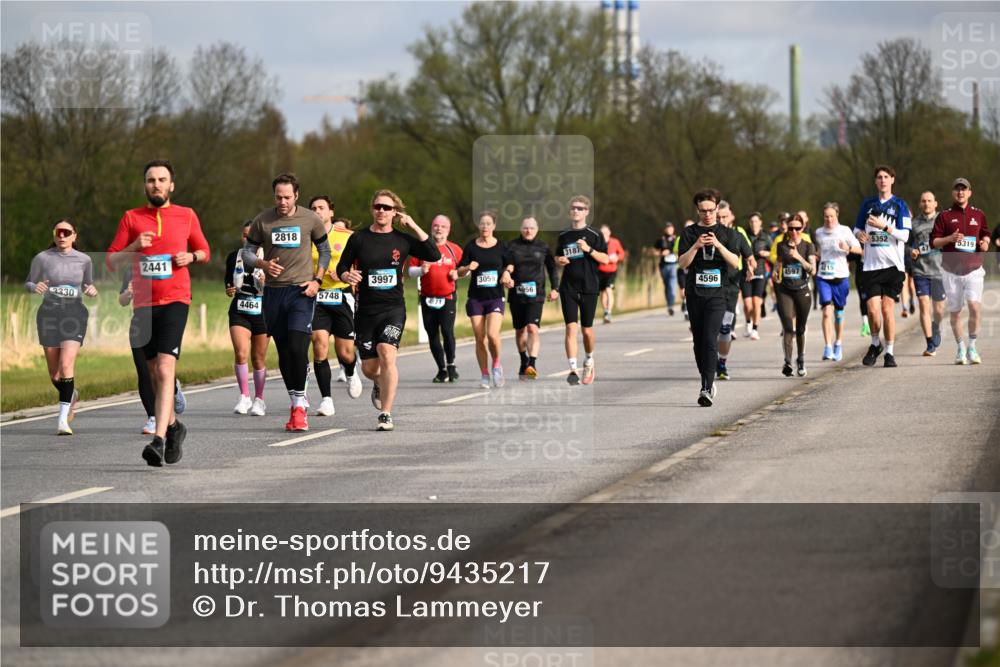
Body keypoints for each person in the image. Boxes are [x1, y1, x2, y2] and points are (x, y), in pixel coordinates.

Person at [108, 159, 210, 466]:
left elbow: (205, 251)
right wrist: (135, 245)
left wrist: (190, 255)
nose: (156, 184)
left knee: (166, 369)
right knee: (153, 373)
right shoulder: (131, 218)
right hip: (143, 304)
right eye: (151, 180)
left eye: (162, 179)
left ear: (171, 185)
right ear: (145, 185)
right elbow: (112, 261)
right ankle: (175, 427)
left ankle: (159, 439)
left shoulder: (186, 215)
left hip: (176, 300)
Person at [336, 189, 440, 431]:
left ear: (395, 212)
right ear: (372, 209)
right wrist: (346, 274)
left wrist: (413, 224)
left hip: (393, 308)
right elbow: (342, 265)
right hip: (365, 312)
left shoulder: (402, 240)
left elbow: (433, 254)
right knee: (370, 368)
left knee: (387, 352)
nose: (381, 210)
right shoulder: (359, 239)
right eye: (377, 206)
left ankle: (386, 413)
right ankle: (379, 382)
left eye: (386, 207)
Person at [242, 173, 330, 432]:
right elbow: (246, 253)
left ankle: (301, 406)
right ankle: (295, 403)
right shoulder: (263, 220)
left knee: (297, 346)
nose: (282, 202)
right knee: (283, 353)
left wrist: (317, 281)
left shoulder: (310, 219)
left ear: (296, 196)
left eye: (287, 197)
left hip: (301, 292)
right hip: (273, 294)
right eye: (278, 197)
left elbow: (324, 251)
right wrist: (263, 263)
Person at [25, 220, 98, 435]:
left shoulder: (84, 260)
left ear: (74, 236)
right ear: (54, 235)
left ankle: (62, 420)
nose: (62, 236)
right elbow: (29, 282)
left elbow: (88, 284)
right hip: (48, 313)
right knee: (55, 375)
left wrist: (91, 290)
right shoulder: (42, 258)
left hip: (73, 313)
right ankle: (71, 394)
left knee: (67, 365)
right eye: (59, 232)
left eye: (67, 232)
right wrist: (34, 287)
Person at [677, 189, 743, 406]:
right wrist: (696, 246)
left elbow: (735, 262)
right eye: (703, 211)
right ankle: (706, 378)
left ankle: (706, 387)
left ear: (717, 209)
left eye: (711, 210)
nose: (707, 214)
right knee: (698, 342)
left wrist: (718, 245)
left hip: (718, 294)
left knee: (709, 337)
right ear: (697, 210)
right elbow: (683, 264)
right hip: (695, 294)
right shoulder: (688, 234)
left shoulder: (728, 234)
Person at [308, 196, 362, 416]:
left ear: (331, 212)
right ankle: (326, 399)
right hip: (317, 297)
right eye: (313, 209)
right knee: (319, 344)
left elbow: (363, 262)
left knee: (345, 352)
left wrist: (352, 276)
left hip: (342, 295)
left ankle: (350, 371)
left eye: (321, 208)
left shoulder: (347, 236)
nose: (317, 211)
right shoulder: (306, 236)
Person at [854, 165, 911, 368]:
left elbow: (905, 235)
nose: (883, 180)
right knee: (872, 309)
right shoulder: (867, 204)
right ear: (875, 181)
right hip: (870, 266)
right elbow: (857, 228)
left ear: (892, 180)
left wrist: (883, 226)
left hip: (893, 267)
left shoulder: (900, 205)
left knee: (887, 309)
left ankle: (889, 352)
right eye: (879, 177)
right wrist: (858, 235)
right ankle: (875, 343)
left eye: (886, 177)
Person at [119, 267, 186, 434]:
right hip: (140, 323)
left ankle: (174, 388)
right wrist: (128, 293)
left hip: (163, 322)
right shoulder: (132, 269)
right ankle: (153, 417)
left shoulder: (165, 264)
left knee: (161, 369)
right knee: (144, 371)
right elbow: (122, 300)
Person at [931, 178, 991, 365]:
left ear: (969, 192)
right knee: (955, 312)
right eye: (957, 189)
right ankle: (960, 348)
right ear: (953, 193)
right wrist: (949, 238)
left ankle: (972, 346)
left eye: (963, 189)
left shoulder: (978, 214)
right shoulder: (944, 216)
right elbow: (934, 242)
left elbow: (986, 233)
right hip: (951, 271)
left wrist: (986, 243)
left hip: (973, 269)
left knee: (974, 306)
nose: (960, 192)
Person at [554, 195, 609, 385]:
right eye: (573, 208)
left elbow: (606, 259)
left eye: (579, 208)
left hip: (589, 286)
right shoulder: (563, 235)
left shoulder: (594, 235)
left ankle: (589, 360)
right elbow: (557, 257)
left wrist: (588, 249)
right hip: (568, 286)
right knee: (570, 327)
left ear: (586, 211)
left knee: (586, 331)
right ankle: (572, 369)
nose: (575, 211)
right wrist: (559, 260)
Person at [457, 211, 514, 389]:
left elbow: (510, 263)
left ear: (494, 226)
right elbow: (459, 271)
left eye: (488, 224)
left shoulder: (501, 246)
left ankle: (496, 364)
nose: (485, 227)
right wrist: (468, 267)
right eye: (482, 224)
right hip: (476, 298)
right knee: (480, 338)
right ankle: (484, 373)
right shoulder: (471, 247)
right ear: (478, 226)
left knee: (492, 335)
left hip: (495, 297)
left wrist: (506, 272)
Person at [408, 214, 463, 383]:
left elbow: (466, 269)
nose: (439, 229)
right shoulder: (422, 248)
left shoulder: (454, 249)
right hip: (426, 298)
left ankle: (451, 364)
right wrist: (421, 271)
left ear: (448, 230)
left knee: (447, 332)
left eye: (443, 226)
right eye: (436, 225)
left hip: (447, 297)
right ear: (431, 228)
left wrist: (458, 274)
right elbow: (410, 272)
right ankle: (441, 369)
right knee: (432, 334)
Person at [507, 216, 559, 379]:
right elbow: (504, 266)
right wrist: (506, 275)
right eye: (525, 228)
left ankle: (532, 363)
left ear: (537, 229)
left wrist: (555, 288)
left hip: (536, 294)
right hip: (516, 294)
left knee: (532, 328)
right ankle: (524, 360)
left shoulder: (543, 247)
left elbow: (551, 268)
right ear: (520, 229)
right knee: (520, 330)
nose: (528, 231)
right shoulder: (512, 247)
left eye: (531, 228)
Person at [226, 220, 269, 416]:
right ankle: (244, 396)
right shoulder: (234, 257)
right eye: (245, 236)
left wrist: (266, 282)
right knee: (241, 353)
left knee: (258, 358)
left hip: (262, 310)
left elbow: (278, 285)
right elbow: (228, 284)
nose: (248, 239)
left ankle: (259, 399)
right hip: (240, 309)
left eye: (252, 236)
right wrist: (229, 289)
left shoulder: (270, 257)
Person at [813, 203, 861, 361]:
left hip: (840, 276)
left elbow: (859, 249)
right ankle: (827, 346)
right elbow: (818, 252)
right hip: (823, 277)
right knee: (826, 311)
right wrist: (815, 256)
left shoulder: (845, 230)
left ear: (837, 216)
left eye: (831, 216)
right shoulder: (818, 233)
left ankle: (838, 343)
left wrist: (847, 247)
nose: (829, 219)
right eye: (826, 216)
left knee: (838, 313)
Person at [775, 213, 817, 376]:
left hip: (802, 290)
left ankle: (800, 360)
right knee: (787, 327)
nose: (793, 231)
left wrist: (798, 257)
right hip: (785, 291)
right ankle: (787, 362)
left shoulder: (808, 246)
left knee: (800, 329)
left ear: (802, 228)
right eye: (791, 228)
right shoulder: (782, 245)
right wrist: (776, 271)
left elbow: (812, 270)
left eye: (797, 228)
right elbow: (779, 264)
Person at [715, 201, 753, 380]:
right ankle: (710, 360)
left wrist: (750, 267)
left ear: (731, 217)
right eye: (718, 217)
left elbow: (750, 257)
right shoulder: (706, 235)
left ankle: (721, 363)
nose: (721, 220)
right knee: (710, 329)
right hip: (710, 288)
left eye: (724, 217)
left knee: (725, 328)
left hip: (731, 286)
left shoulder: (738, 235)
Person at [908, 191, 946, 356]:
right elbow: (905, 244)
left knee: (939, 309)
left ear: (935, 203)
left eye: (929, 201)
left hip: (940, 271)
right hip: (920, 270)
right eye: (923, 201)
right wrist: (912, 251)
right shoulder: (913, 223)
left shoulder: (943, 221)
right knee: (924, 305)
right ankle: (930, 343)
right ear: (920, 204)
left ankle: (936, 326)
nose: (926, 204)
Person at [741, 212, 770, 340]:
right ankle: (748, 322)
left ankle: (755, 329)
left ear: (760, 222)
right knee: (748, 304)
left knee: (756, 302)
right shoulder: (744, 235)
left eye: (756, 221)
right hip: (746, 273)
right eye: (751, 221)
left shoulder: (766, 237)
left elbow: (774, 252)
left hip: (759, 272)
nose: (754, 223)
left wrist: (766, 253)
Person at [598, 224, 626, 323]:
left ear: (609, 233)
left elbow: (622, 253)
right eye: (602, 233)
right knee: (602, 292)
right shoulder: (597, 243)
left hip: (611, 270)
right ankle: (605, 311)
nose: (604, 234)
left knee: (608, 289)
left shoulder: (615, 242)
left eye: (606, 232)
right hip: (600, 270)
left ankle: (609, 311)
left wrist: (617, 258)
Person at [653, 223, 680, 316]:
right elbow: (654, 251)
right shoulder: (661, 240)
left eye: (670, 228)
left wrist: (673, 253)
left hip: (674, 265)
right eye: (667, 228)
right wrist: (661, 253)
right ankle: (669, 305)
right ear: (665, 229)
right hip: (663, 266)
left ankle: (671, 305)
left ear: (673, 229)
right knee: (667, 285)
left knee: (672, 285)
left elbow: (681, 250)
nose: (669, 230)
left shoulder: (677, 239)